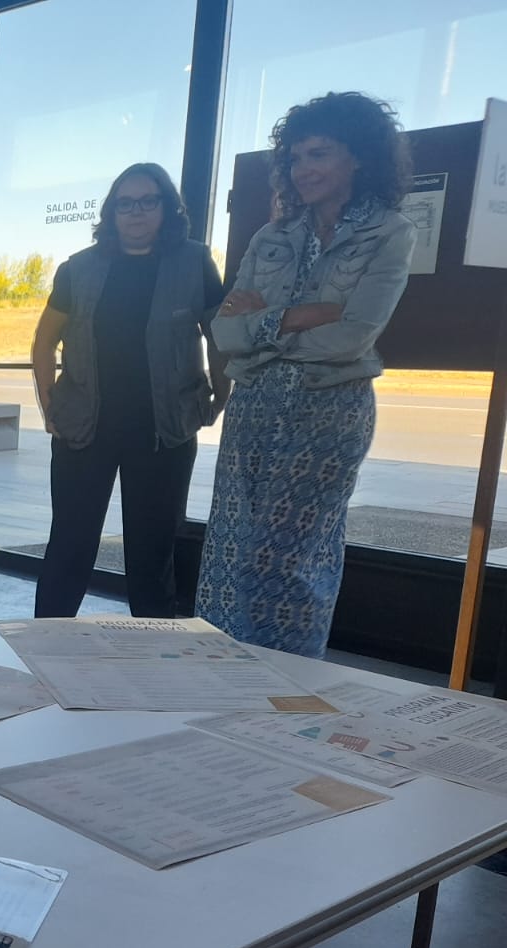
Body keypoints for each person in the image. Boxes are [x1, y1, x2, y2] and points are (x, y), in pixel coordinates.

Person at [199, 93, 415, 657]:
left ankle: (287, 689)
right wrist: (298, 316)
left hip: (329, 409)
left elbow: (352, 336)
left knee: (293, 554)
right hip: (255, 407)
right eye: (296, 158)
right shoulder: (272, 236)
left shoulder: (388, 233)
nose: (305, 169)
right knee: (233, 548)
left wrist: (260, 323)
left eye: (319, 153)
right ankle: (225, 679)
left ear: (360, 157)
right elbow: (224, 335)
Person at [30, 162, 228, 619]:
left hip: (164, 431)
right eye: (125, 203)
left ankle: (154, 660)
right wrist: (48, 403)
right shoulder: (78, 268)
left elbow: (217, 333)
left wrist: (222, 391)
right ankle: (47, 646)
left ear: (167, 208)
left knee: (152, 549)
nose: (136, 212)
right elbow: (44, 340)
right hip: (86, 425)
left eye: (147, 201)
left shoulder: (194, 262)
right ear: (112, 212)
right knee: (71, 543)